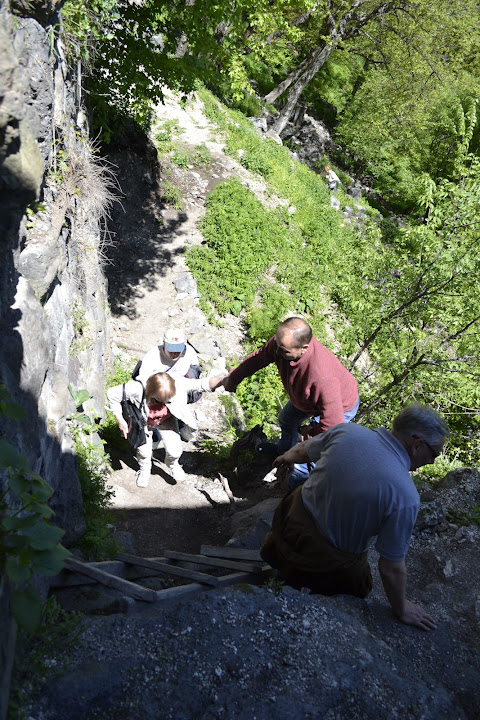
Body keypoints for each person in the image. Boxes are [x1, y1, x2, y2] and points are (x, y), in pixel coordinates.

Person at [260, 403, 449, 631]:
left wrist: (284, 457)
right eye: (434, 454)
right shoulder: (405, 496)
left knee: (299, 493)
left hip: (288, 525)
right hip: (320, 565)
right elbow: (390, 567)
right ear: (417, 444)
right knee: (359, 583)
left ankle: (280, 574)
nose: (432, 461)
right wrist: (401, 608)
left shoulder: (348, 431)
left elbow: (303, 450)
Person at [221, 317, 359, 486]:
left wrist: (310, 435)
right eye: (277, 346)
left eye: (284, 350)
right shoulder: (282, 344)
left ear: (304, 348)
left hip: (339, 407)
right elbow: (260, 357)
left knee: (311, 452)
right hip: (306, 398)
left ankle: (296, 486)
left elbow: (333, 425)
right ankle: (283, 451)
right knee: (286, 419)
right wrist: (234, 378)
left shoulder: (323, 377)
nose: (277, 352)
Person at [107, 371, 222, 487]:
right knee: (144, 451)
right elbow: (112, 394)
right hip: (143, 422)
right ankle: (145, 469)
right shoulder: (137, 388)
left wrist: (224, 380)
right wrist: (120, 420)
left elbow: (201, 384)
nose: (165, 403)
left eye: (169, 399)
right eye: (160, 400)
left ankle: (173, 464)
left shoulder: (179, 383)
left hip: (166, 419)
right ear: (151, 392)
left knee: (175, 450)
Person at [136, 327, 202, 440]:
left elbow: (194, 370)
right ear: (164, 344)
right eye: (171, 350)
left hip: (179, 391)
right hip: (158, 393)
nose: (174, 354)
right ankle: (154, 428)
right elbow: (142, 378)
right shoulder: (153, 355)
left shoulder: (189, 353)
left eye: (178, 349)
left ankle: (180, 423)